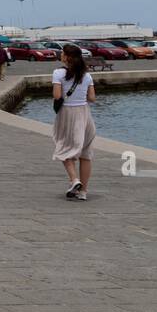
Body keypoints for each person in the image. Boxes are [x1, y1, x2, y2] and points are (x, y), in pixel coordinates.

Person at [53, 43, 96, 200]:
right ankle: (83, 192)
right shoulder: (87, 75)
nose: (61, 55)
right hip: (85, 115)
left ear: (67, 57)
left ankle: (74, 180)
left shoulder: (58, 73)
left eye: (62, 53)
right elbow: (92, 98)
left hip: (68, 114)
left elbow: (57, 96)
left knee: (63, 146)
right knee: (86, 154)